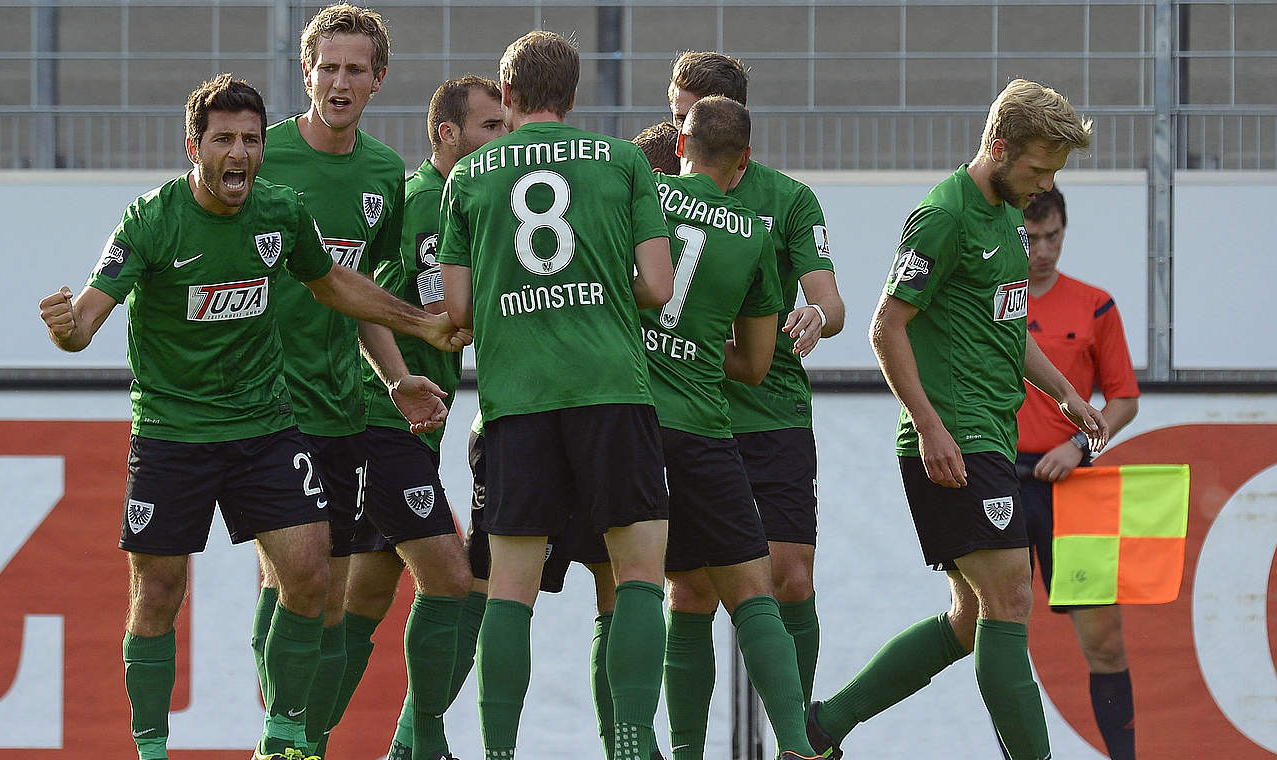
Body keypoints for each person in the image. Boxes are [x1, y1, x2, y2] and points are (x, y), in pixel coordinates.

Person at [37, 73, 467, 760]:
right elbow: (86, 320)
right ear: (193, 146)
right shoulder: (152, 220)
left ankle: (286, 737)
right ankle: (151, 748)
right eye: (223, 140)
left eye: (250, 140)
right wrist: (65, 329)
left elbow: (331, 282)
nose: (238, 153)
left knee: (309, 570)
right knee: (158, 592)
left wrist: (421, 323)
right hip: (173, 433)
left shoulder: (280, 211)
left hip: (264, 424)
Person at [805, 78, 1105, 760]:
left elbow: (1008, 326)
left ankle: (826, 724)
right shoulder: (942, 215)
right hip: (957, 442)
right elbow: (885, 328)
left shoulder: (1007, 217)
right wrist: (931, 427)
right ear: (998, 148)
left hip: (985, 437)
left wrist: (1064, 393)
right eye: (1037, 168)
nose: (1044, 183)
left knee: (972, 620)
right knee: (1010, 603)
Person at [437, 30, 674, 760]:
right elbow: (659, 288)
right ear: (574, 98)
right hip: (611, 391)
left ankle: (500, 752)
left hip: (518, 402)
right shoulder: (623, 159)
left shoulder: (471, 176)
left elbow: (459, 310)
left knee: (510, 588)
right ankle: (633, 744)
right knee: (638, 575)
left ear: (506, 98)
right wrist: (601, 299)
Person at [241, 6, 457, 759]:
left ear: (377, 82)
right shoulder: (255, 156)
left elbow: (357, 293)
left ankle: (300, 740)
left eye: (354, 70)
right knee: (296, 575)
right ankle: (282, 737)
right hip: (263, 405)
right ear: (305, 73)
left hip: (341, 406)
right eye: (327, 67)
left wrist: (396, 377)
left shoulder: (379, 177)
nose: (339, 81)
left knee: (325, 597)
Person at [659, 51, 845, 760]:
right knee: (691, 591)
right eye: (675, 113)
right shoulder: (656, 180)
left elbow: (829, 298)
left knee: (790, 574)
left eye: (689, 114)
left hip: (770, 414)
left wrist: (814, 317)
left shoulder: (788, 200)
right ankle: (685, 750)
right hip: (685, 414)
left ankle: (793, 742)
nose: (678, 126)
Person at [335, 74, 508, 760]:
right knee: (453, 579)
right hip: (380, 419)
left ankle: (303, 739)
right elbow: (352, 297)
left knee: (367, 600)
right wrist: (399, 375)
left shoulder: (471, 204)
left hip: (418, 427)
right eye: (491, 126)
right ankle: (421, 746)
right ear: (448, 134)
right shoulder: (414, 205)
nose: (505, 136)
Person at [1009, 186, 1141, 760]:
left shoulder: (1095, 304)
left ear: (1065, 230)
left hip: (1072, 483)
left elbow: (1123, 399)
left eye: (1052, 236)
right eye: (1030, 238)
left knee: (1105, 642)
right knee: (997, 633)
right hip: (1000, 481)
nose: (1042, 250)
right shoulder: (986, 301)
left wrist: (1078, 448)